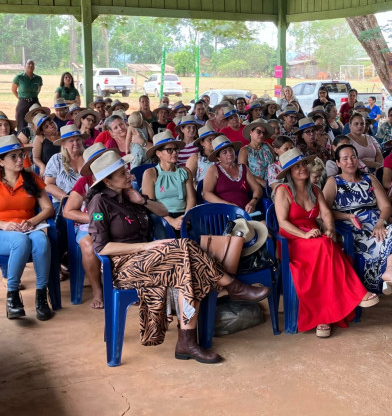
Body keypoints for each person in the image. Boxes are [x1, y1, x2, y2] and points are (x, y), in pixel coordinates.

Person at [87, 149, 269, 363]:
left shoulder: (129, 195)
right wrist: (146, 247)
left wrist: (141, 201)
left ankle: (187, 343)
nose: (129, 175)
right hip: (124, 266)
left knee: (187, 266)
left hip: (152, 258)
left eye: (126, 170)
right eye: (122, 174)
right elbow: (102, 248)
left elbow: (163, 211)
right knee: (185, 249)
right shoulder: (99, 203)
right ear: (108, 181)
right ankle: (230, 288)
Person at [274, 148, 379, 338]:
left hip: (314, 237)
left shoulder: (314, 189)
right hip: (292, 241)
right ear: (289, 172)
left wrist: (330, 228)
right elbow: (282, 223)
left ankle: (325, 317)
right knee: (326, 246)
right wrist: (303, 235)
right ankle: (358, 293)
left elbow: (326, 213)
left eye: (303, 164)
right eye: (296, 167)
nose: (302, 169)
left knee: (327, 245)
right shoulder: (283, 190)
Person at [323, 144, 392, 325]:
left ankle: (389, 272)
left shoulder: (369, 178)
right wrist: (347, 215)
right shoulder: (334, 182)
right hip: (353, 231)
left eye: (353, 157)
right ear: (338, 163)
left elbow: (385, 206)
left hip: (377, 226)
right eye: (345, 158)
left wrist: (381, 222)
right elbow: (323, 211)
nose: (350, 161)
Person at [0, 135, 55, 321]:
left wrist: (33, 221)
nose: (20, 160)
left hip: (27, 228)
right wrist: (4, 225)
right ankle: (13, 296)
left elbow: (48, 208)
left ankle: (42, 295)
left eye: (21, 155)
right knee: (20, 241)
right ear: (1, 161)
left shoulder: (31, 178)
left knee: (41, 241)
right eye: (13, 157)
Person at [61, 143, 109, 309]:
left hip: (115, 224)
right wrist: (95, 218)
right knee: (88, 245)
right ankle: (97, 290)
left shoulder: (117, 176)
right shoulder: (85, 182)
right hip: (88, 227)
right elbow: (68, 211)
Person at [142, 131, 195, 231]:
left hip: (185, 214)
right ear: (158, 153)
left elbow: (191, 199)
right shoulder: (150, 174)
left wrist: (185, 219)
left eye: (176, 149)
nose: (174, 152)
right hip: (161, 217)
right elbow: (150, 205)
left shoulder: (185, 171)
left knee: (202, 240)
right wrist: (171, 221)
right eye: (169, 150)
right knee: (170, 244)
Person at [202, 135, 263, 213]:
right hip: (225, 213)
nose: (229, 153)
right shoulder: (214, 169)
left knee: (263, 224)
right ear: (218, 157)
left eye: (230, 150)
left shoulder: (243, 168)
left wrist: (253, 202)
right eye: (224, 152)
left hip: (246, 212)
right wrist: (227, 204)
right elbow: (206, 193)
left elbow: (257, 188)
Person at [43, 125, 87, 208]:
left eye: (78, 139)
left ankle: (95, 219)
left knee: (99, 217)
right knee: (76, 219)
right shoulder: (56, 159)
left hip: (88, 202)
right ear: (63, 144)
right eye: (71, 141)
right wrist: (68, 198)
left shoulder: (88, 157)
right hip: (63, 203)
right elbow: (48, 184)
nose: (75, 143)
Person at [237, 119, 276, 189]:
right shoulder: (245, 150)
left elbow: (275, 163)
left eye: (264, 133)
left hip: (273, 183)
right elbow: (243, 173)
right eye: (259, 132)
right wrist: (262, 182)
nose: (262, 135)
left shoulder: (267, 146)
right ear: (251, 132)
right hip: (255, 186)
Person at [12, 60, 43, 131]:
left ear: (34, 67)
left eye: (32, 64)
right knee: (21, 122)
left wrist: (32, 97)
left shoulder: (38, 78)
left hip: (34, 101)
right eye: (29, 64)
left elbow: (38, 90)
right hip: (23, 102)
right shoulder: (19, 77)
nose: (31, 66)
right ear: (25, 66)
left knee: (39, 119)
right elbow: (14, 90)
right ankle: (21, 137)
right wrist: (21, 98)